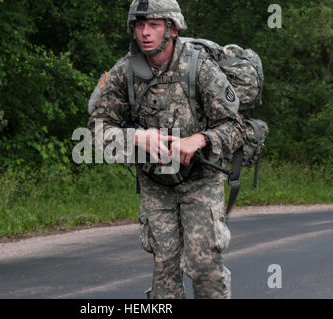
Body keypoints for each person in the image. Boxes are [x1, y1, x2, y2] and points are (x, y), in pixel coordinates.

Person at [87, 0, 245, 299]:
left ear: (172, 29)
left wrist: (199, 140)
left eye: (154, 25)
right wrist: (136, 138)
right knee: (164, 276)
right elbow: (96, 129)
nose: (145, 33)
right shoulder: (124, 72)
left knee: (205, 268)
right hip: (155, 182)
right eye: (140, 25)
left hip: (201, 179)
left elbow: (234, 126)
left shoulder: (199, 66)